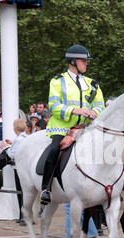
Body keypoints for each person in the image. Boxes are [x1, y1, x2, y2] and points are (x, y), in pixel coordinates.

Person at [40, 45, 105, 205]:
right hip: (62, 128)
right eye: (83, 60)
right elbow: (54, 106)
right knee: (55, 149)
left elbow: (100, 104)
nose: (86, 64)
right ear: (73, 61)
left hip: (86, 128)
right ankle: (46, 188)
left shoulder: (92, 84)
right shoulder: (57, 81)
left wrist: (94, 112)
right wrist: (75, 110)